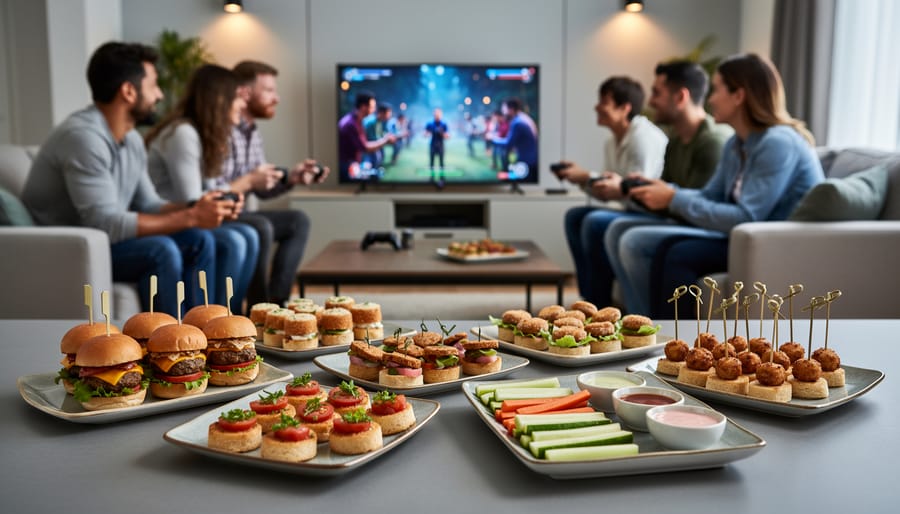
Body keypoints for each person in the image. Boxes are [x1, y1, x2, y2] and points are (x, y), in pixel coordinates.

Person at [21, 41, 233, 317]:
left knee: (199, 239)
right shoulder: (83, 138)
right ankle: (168, 350)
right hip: (67, 251)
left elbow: (149, 203)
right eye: (154, 85)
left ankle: (202, 334)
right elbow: (104, 223)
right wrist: (191, 216)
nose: (159, 95)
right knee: (161, 249)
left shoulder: (131, 138)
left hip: (103, 239)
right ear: (129, 91)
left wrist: (199, 206)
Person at [608, 54, 825, 316]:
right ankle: (655, 333)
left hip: (773, 242)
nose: (710, 99)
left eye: (717, 89)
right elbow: (711, 195)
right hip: (743, 234)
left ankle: (678, 342)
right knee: (666, 248)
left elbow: (748, 216)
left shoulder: (777, 143)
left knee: (676, 253)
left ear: (739, 95)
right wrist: (668, 192)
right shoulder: (736, 144)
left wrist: (674, 199)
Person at [145, 64, 258, 311]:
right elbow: (194, 200)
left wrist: (228, 199)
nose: (242, 105)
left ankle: (232, 318)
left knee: (248, 235)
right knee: (235, 241)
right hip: (169, 219)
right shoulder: (183, 134)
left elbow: (210, 191)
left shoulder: (204, 134)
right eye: (237, 97)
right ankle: (210, 320)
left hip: (187, 218)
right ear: (220, 100)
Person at [218, 60, 329, 310]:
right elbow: (213, 190)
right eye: (268, 90)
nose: (276, 98)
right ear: (244, 93)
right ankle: (260, 310)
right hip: (219, 213)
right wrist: (248, 181)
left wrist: (292, 177)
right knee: (261, 225)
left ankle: (277, 304)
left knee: (298, 220)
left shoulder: (251, 131)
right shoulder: (220, 129)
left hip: (242, 213)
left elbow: (260, 186)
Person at [558, 75, 669, 305]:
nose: (596, 107)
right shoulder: (612, 141)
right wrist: (581, 179)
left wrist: (587, 176)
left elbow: (638, 191)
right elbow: (611, 190)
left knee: (594, 222)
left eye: (604, 102)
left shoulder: (642, 139)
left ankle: (599, 304)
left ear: (624, 108)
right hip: (630, 208)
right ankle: (587, 299)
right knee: (575, 217)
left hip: (650, 213)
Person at [338, 90, 396, 181]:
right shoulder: (351, 124)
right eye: (372, 107)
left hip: (352, 164)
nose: (374, 110)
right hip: (347, 166)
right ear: (363, 107)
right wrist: (385, 140)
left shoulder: (357, 121)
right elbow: (364, 147)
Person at [490, 98, 538, 178]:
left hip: (527, 163)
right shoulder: (522, 118)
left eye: (504, 109)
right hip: (529, 160)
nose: (503, 112)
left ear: (511, 109)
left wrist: (493, 139)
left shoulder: (517, 122)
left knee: (506, 177)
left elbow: (508, 143)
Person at [363, 103, 393, 168]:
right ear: (382, 113)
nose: (389, 116)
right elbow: (371, 139)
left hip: (375, 148)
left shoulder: (380, 122)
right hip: (368, 150)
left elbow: (379, 135)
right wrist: (386, 139)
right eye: (388, 113)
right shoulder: (371, 122)